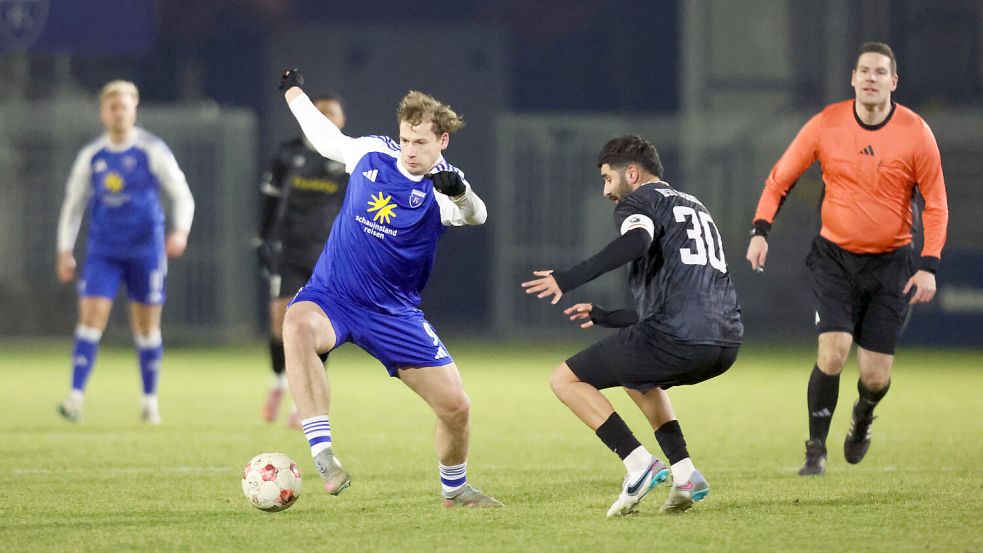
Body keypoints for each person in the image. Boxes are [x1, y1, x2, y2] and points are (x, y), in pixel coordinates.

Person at [277, 68, 502, 508]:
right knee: (296, 324)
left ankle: (455, 490)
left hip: (393, 313)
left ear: (442, 141)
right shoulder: (371, 154)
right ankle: (323, 455)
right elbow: (325, 137)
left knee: (456, 407)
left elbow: (476, 216)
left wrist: (460, 195)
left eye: (421, 142)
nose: (410, 151)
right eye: (406, 140)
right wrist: (294, 92)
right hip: (334, 297)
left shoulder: (445, 184)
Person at [745, 42, 949, 476]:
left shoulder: (915, 132)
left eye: (880, 72)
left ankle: (863, 415)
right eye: (864, 71)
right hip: (834, 259)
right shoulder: (827, 124)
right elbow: (780, 179)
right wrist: (760, 231)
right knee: (833, 351)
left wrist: (928, 265)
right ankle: (815, 450)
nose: (871, 78)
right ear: (853, 78)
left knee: (875, 376)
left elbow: (936, 204)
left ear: (894, 81)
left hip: (892, 264)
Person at [522, 135, 743, 517]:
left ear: (633, 173)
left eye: (609, 178)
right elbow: (677, 300)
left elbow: (637, 240)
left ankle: (638, 464)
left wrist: (568, 278)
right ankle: (685, 473)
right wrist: (607, 316)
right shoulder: (693, 205)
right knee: (636, 375)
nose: (607, 191)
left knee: (565, 380)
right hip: (726, 341)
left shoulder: (640, 201)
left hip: (681, 337)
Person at [55, 80, 195, 425]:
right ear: (103, 113)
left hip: (146, 251)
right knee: (91, 319)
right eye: (112, 107)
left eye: (124, 107)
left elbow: (181, 193)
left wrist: (180, 230)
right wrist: (64, 249)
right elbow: (73, 204)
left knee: (146, 327)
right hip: (103, 251)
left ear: (135, 111)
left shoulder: (151, 149)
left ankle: (149, 402)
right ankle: (75, 398)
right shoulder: (92, 155)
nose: (119, 113)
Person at [255, 93, 349, 428]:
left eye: (331, 113)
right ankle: (279, 382)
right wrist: (261, 240)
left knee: (318, 328)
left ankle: (303, 401)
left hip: (328, 255)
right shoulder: (288, 154)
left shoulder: (349, 157)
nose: (325, 118)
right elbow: (269, 201)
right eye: (318, 112)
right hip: (290, 249)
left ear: (342, 120)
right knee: (280, 321)